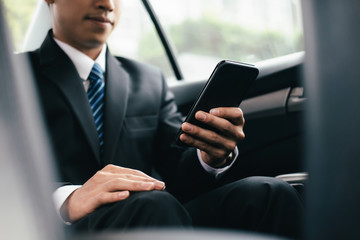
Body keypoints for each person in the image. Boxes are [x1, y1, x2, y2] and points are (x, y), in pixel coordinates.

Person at [26, 0, 303, 238]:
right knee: (154, 205)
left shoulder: (149, 80)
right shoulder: (13, 76)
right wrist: (68, 200)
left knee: (270, 193)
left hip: (156, 217)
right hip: (59, 229)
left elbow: (177, 170)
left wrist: (210, 158)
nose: (107, 4)